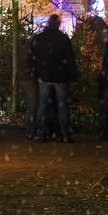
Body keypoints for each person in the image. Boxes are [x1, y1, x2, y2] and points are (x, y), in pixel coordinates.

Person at [34, 14, 77, 143]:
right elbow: (70, 58)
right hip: (60, 77)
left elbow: (34, 57)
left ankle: (42, 133)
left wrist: (36, 73)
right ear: (58, 24)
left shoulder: (39, 39)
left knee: (43, 106)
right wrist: (73, 77)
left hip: (44, 76)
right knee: (62, 106)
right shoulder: (63, 39)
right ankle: (65, 134)